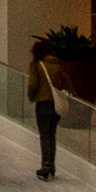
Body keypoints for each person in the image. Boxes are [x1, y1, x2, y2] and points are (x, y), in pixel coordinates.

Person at [27, 47, 72, 181]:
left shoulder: (37, 65)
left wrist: (31, 97)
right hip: (56, 104)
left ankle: (46, 165)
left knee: (44, 134)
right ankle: (51, 164)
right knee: (51, 133)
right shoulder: (57, 65)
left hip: (43, 103)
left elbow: (33, 84)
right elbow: (66, 81)